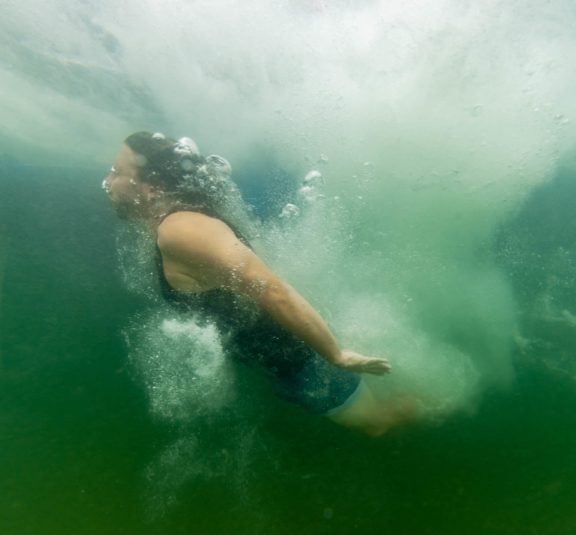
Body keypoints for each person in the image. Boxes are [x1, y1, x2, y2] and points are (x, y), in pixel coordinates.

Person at [103, 131, 423, 436]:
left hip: (304, 361)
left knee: (377, 423)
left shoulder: (180, 230)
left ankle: (438, 404)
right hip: (284, 363)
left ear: (152, 188)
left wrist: (336, 355)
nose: (108, 181)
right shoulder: (167, 226)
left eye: (117, 172)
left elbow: (271, 288)